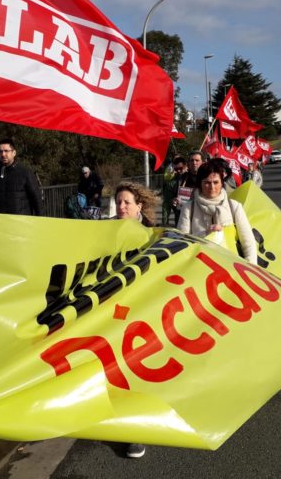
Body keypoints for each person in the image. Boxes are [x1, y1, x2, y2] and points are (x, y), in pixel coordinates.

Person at [112, 181, 156, 459]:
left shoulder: (152, 234)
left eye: (127, 202)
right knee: (115, 369)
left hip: (142, 310)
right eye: (118, 202)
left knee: (135, 369)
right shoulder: (106, 230)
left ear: (139, 206)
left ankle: (136, 432)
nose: (121, 207)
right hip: (114, 311)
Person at [177, 158, 258, 265]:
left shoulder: (234, 206)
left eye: (216, 182)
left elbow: (248, 244)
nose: (212, 187)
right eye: (207, 183)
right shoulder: (188, 208)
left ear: (222, 183)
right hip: (199, 269)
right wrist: (206, 234)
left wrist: (250, 270)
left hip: (232, 268)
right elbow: (182, 243)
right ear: (200, 184)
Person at [0, 137, 43, 215]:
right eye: (0, 151)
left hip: (21, 223)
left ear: (14, 153)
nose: (3, 154)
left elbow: (37, 199)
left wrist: (39, 221)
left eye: (6, 151)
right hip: (0, 223)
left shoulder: (25, 173)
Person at [162, 155, 186, 226]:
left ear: (185, 166)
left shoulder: (191, 176)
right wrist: (172, 199)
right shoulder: (172, 179)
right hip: (174, 206)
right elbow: (167, 195)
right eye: (176, 169)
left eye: (180, 168)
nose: (178, 171)